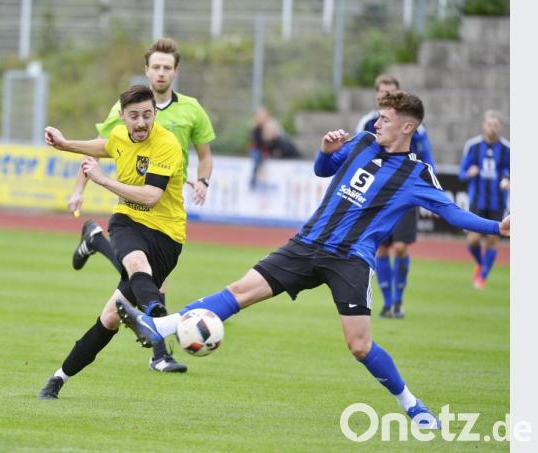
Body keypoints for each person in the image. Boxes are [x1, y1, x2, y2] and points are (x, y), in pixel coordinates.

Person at [117, 90, 510, 429]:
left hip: (350, 260)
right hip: (307, 243)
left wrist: (497, 227)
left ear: (407, 127)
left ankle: (412, 405)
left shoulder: (417, 173)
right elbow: (323, 170)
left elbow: (452, 213)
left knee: (359, 345)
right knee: (240, 291)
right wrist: (325, 151)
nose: (377, 123)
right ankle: (158, 326)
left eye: (385, 119)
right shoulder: (362, 142)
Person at [67, 37, 216, 373]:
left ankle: (96, 241)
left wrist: (202, 180)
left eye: (167, 67)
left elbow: (205, 156)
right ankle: (160, 354)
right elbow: (99, 148)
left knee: (141, 277)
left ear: (176, 72)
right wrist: (80, 187)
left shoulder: (191, 109)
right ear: (147, 70)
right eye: (156, 66)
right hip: (135, 204)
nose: (161, 72)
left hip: (166, 199)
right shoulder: (126, 108)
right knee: (146, 278)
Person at [37, 85, 186, 399]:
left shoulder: (167, 144)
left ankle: (60, 375)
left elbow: (151, 197)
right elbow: (105, 145)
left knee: (109, 318)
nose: (141, 122)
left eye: (147, 115)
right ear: (122, 116)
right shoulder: (119, 134)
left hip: (167, 236)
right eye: (134, 116)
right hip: (127, 222)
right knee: (135, 262)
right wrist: (65, 144)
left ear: (155, 114)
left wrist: (102, 180)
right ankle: (156, 319)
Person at [355, 74, 435, 318]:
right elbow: (357, 156)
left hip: (404, 193)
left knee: (400, 247)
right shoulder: (367, 123)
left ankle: (398, 301)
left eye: (390, 92)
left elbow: (427, 157)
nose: (385, 95)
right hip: (376, 196)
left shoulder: (412, 125)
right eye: (382, 91)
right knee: (381, 249)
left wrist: (430, 190)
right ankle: (388, 303)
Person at [459, 110, 510, 290]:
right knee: (472, 240)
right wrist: (468, 173)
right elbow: (461, 173)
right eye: (489, 124)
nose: (492, 128)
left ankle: (482, 277)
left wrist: (508, 181)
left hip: (498, 203)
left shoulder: (507, 149)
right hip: (477, 202)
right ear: (483, 125)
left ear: (500, 127)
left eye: (495, 125)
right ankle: (481, 264)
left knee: (492, 240)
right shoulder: (473, 146)